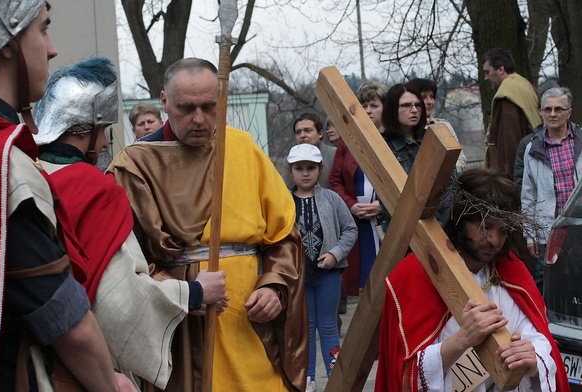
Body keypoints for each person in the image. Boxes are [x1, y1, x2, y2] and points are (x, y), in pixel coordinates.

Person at [0, 1, 134, 391]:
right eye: (43, 29)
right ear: (6, 42)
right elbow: (69, 325)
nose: (52, 48)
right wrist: (110, 384)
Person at [108, 58, 308, 392]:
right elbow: (126, 262)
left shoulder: (243, 148)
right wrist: (184, 292)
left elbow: (285, 236)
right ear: (165, 101)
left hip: (249, 321)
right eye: (187, 108)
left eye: (209, 106)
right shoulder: (134, 165)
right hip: (184, 330)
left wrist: (275, 285)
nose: (199, 119)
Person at [33, 57, 228, 389]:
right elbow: (119, 302)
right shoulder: (93, 189)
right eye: (103, 131)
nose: (105, 143)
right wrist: (194, 293)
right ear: (86, 129)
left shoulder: (22, 172)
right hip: (74, 364)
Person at [376, 168, 568, 391]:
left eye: (503, 230)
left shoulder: (511, 271)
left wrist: (533, 357)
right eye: (485, 227)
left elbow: (536, 336)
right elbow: (404, 377)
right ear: (461, 219)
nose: (494, 241)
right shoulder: (414, 275)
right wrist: (462, 339)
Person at [287, 144, 357, 392]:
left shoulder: (332, 198)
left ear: (320, 170)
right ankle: (308, 377)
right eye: (299, 168)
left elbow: (350, 229)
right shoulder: (283, 200)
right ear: (290, 171)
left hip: (328, 273)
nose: (305, 173)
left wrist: (335, 254)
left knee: (327, 324)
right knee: (305, 327)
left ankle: (334, 375)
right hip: (299, 276)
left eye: (311, 168)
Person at [329, 81, 387, 298]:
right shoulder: (348, 140)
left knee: (389, 280)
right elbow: (335, 179)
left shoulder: (394, 141)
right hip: (357, 223)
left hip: (387, 222)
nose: (368, 111)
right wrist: (351, 205)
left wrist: (383, 205)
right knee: (363, 288)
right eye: (364, 106)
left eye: (374, 105)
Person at [521, 87, 582, 292]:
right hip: (548, 230)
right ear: (541, 112)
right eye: (547, 109)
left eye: (558, 109)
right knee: (548, 283)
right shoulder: (533, 148)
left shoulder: (580, 142)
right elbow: (528, 196)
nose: (553, 114)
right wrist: (530, 235)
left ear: (569, 112)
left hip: (579, 226)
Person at [380, 83, 452, 230]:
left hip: (442, 226)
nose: (414, 110)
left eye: (418, 105)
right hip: (403, 231)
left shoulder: (434, 141)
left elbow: (450, 187)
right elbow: (388, 199)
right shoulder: (383, 147)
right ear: (393, 109)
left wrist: (441, 224)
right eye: (406, 105)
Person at [481, 48, 541, 179]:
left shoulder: (507, 94)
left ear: (501, 69)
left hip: (521, 170)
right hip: (534, 161)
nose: (486, 78)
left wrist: (508, 178)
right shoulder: (524, 84)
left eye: (487, 72)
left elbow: (509, 142)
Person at [406, 78, 467, 173]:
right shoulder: (406, 129)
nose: (430, 102)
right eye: (424, 97)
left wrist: (442, 173)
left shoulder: (444, 126)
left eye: (432, 97)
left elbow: (460, 159)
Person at [280, 112, 337, 188]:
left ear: (320, 134)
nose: (302, 135)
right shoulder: (289, 161)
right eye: (298, 132)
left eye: (307, 131)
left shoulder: (334, 155)